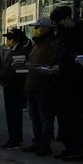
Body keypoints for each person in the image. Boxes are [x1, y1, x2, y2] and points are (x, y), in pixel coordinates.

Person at [50, 5, 83, 161]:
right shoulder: (62, 34)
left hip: (75, 84)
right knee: (63, 117)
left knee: (74, 117)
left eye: (59, 21)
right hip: (61, 82)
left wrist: (62, 67)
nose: (57, 25)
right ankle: (69, 147)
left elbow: (81, 58)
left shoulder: (80, 33)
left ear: (67, 19)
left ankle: (77, 149)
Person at [24, 17, 59, 155]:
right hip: (32, 85)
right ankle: (37, 141)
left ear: (47, 28)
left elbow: (52, 65)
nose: (36, 30)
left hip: (43, 87)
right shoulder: (36, 44)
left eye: (38, 27)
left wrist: (37, 67)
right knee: (34, 118)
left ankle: (45, 144)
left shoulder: (52, 44)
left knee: (45, 118)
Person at [0, 27, 31, 149]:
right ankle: (13, 138)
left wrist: (2, 74)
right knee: (11, 115)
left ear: (15, 39)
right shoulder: (14, 51)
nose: (7, 40)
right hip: (10, 86)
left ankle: (15, 140)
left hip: (14, 87)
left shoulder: (20, 52)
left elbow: (20, 71)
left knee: (14, 115)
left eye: (9, 38)